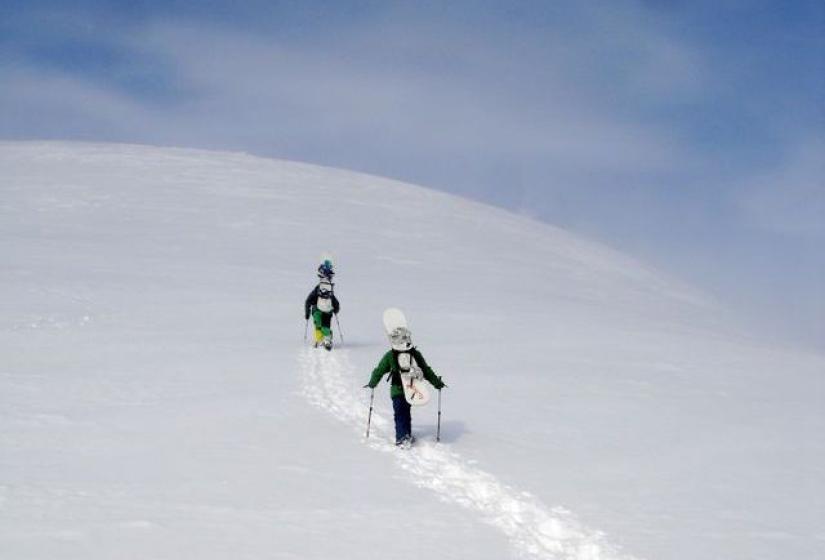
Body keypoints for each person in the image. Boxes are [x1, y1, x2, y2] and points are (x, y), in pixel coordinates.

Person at [364, 326, 445, 445]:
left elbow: (379, 370)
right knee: (406, 412)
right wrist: (437, 383)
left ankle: (402, 438)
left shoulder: (390, 355)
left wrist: (372, 383)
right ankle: (406, 435)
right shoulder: (415, 354)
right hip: (411, 389)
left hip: (397, 390)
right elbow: (426, 370)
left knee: (400, 413)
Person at [304, 260, 340, 350]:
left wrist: (335, 308)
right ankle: (319, 339)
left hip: (327, 310)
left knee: (325, 326)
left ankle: (327, 339)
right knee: (318, 323)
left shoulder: (328, 291)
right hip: (318, 308)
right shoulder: (318, 289)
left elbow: (334, 301)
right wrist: (307, 311)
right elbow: (309, 300)